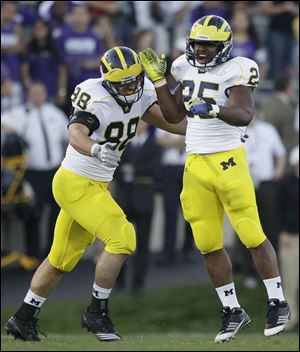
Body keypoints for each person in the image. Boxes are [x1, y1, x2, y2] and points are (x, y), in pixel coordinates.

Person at [4, 46, 186, 342]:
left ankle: (23, 318)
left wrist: (205, 132)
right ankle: (96, 312)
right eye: (123, 83)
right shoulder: (95, 95)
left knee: (60, 259)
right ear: (107, 81)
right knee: (123, 238)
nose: (130, 88)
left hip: (93, 184)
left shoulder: (140, 93)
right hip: (76, 182)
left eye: (133, 81)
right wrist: (95, 148)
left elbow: (169, 121)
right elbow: (76, 133)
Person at [139, 15, 290, 343]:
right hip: (194, 163)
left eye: (209, 44)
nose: (202, 50)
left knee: (251, 233)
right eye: (198, 43)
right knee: (207, 243)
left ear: (224, 45)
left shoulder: (239, 67)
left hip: (228, 159)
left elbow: (245, 113)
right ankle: (232, 310)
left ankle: (277, 302)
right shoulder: (181, 64)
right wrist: (161, 83)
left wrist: (215, 110)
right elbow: (175, 114)